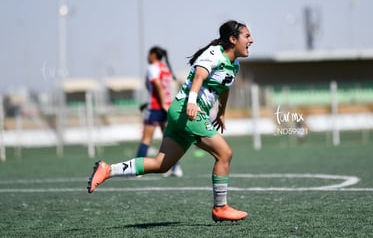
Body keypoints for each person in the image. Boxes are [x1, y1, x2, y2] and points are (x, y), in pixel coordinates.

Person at [87, 20, 254, 222]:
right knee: (225, 154)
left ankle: (108, 170)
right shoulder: (214, 54)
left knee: (161, 164)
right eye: (247, 36)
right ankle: (220, 208)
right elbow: (198, 78)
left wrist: (222, 113)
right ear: (233, 39)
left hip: (180, 112)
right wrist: (192, 101)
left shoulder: (233, 64)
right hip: (188, 111)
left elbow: (224, 87)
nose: (251, 40)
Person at [136, 46, 183, 177]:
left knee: (146, 139)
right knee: (169, 139)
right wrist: (165, 104)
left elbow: (157, 86)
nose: (147, 57)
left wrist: (161, 103)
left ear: (153, 55)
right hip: (168, 107)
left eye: (148, 54)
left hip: (157, 108)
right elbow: (165, 89)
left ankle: (137, 170)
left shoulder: (153, 68)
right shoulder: (165, 69)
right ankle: (176, 168)